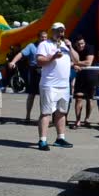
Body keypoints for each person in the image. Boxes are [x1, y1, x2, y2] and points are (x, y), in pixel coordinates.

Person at [35, 22, 79, 151]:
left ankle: (60, 138)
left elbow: (76, 60)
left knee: (61, 112)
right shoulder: (44, 44)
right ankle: (42, 140)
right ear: (52, 31)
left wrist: (70, 47)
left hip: (64, 85)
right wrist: (53, 57)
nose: (60, 33)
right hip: (49, 84)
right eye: (57, 31)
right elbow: (39, 61)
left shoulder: (66, 44)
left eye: (62, 31)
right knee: (46, 112)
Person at [9, 30, 47, 123]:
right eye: (42, 37)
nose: (44, 39)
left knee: (44, 96)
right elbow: (20, 54)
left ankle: (43, 117)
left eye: (46, 37)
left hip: (46, 72)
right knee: (31, 95)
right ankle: (27, 116)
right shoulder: (31, 46)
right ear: (38, 37)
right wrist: (13, 62)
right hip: (34, 71)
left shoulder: (48, 46)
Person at [72, 35, 95, 128]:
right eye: (79, 44)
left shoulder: (90, 47)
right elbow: (68, 61)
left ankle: (87, 119)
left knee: (89, 99)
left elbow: (88, 62)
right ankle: (78, 120)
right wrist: (74, 65)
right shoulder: (73, 49)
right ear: (75, 44)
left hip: (90, 76)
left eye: (82, 43)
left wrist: (74, 63)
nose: (81, 46)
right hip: (80, 76)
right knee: (78, 99)